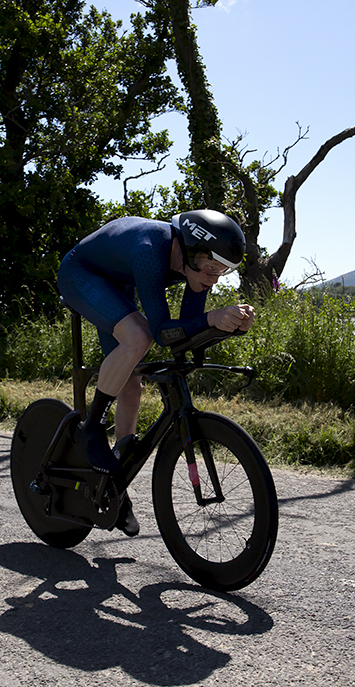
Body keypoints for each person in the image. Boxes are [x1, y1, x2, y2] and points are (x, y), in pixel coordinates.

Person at [57, 209, 255, 536]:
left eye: (223, 271)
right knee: (139, 337)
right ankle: (91, 427)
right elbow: (163, 333)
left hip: (118, 281)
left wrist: (229, 326)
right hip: (81, 272)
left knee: (131, 384)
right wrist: (211, 318)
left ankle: (115, 483)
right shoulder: (152, 251)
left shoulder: (196, 268)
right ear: (192, 252)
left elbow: (184, 336)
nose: (214, 278)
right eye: (212, 268)